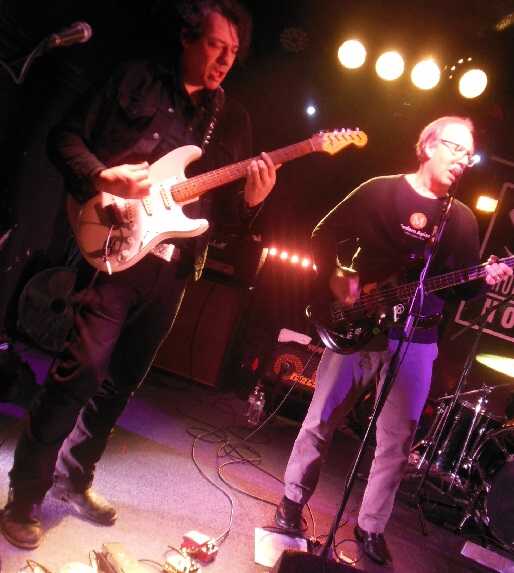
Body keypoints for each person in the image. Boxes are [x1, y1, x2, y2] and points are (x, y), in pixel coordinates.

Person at [1, 0, 278, 549]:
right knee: (80, 372)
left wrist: (251, 203)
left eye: (233, 52)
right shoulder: (135, 78)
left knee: (122, 381)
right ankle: (25, 495)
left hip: (171, 269)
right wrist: (104, 176)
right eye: (216, 45)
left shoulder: (233, 120)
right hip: (111, 248)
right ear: (188, 38)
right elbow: (64, 139)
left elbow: (222, 219)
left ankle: (75, 477)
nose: (225, 59)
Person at [273, 116, 512, 565]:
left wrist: (486, 278)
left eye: (468, 153)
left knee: (397, 443)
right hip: (359, 326)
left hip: (418, 338)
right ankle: (290, 502)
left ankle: (370, 527)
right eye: (455, 148)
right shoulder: (380, 190)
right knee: (321, 419)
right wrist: (345, 286)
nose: (462, 159)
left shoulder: (460, 218)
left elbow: (462, 288)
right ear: (428, 145)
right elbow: (323, 235)